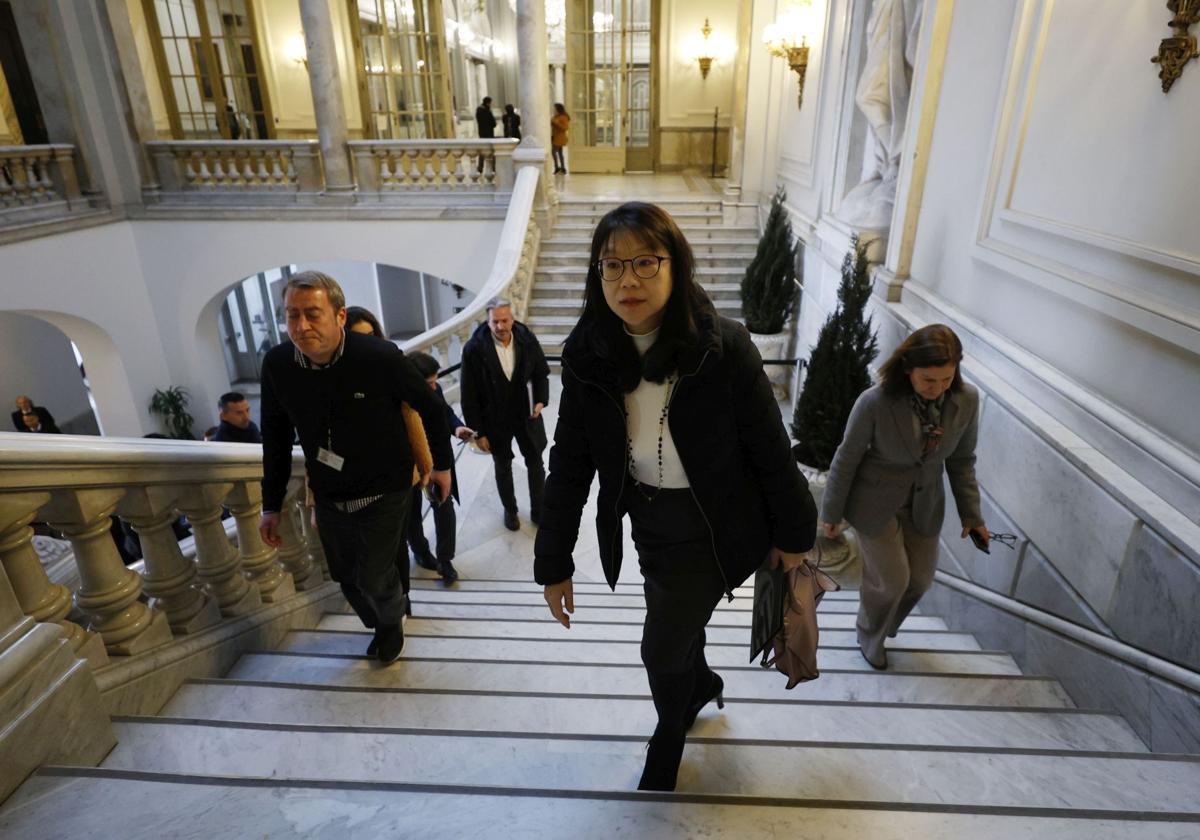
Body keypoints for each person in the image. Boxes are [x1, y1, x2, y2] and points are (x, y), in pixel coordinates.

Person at [534, 202, 818, 792]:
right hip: (648, 522)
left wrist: (795, 537)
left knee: (660, 646)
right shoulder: (587, 355)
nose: (628, 280)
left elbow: (770, 447)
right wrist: (554, 563)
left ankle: (669, 727)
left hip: (718, 524)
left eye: (645, 262)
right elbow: (568, 466)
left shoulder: (723, 347)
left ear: (676, 266)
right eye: (612, 266)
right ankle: (702, 682)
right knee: (677, 618)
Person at [258, 271, 453, 664]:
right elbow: (275, 439)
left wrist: (442, 466)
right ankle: (383, 615)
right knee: (345, 577)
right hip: (329, 490)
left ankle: (390, 624)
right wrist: (270, 505)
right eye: (292, 315)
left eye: (312, 314)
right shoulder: (278, 365)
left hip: (386, 487)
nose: (301, 326)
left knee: (374, 574)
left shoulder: (379, 357)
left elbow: (432, 408)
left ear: (340, 315)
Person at [820, 323, 987, 671]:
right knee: (892, 580)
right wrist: (831, 513)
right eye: (928, 379)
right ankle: (870, 634)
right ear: (908, 368)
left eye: (945, 379)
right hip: (874, 503)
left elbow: (962, 461)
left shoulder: (967, 400)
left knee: (921, 580)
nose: (937, 388)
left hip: (926, 504)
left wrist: (972, 516)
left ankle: (885, 623)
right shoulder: (875, 402)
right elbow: (846, 457)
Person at [342, 306, 449, 595]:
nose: (367, 344)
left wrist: (428, 466)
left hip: (399, 470)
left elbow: (415, 418)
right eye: (357, 338)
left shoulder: (389, 368)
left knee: (408, 523)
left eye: (371, 336)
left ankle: (413, 574)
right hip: (355, 479)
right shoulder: (333, 376)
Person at [461, 298, 550, 532]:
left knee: (536, 462)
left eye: (504, 320)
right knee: (502, 464)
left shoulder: (527, 340)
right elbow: (469, 395)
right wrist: (477, 432)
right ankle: (510, 510)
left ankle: (539, 510)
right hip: (495, 419)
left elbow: (541, 373)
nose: (500, 326)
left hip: (526, 415)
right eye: (495, 322)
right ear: (488, 321)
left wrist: (540, 401)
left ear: (512, 318)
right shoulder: (474, 349)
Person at [407, 351, 475, 583]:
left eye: (436, 381)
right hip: (410, 465)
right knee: (411, 512)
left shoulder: (433, 390)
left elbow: (444, 412)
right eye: (429, 383)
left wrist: (457, 428)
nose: (435, 387)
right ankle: (421, 552)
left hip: (438, 461)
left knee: (444, 508)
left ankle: (445, 560)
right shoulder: (397, 402)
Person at [475, 96, 497, 174]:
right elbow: (494, 124)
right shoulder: (487, 111)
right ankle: (494, 168)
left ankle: (480, 167)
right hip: (489, 134)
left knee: (482, 151)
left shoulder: (478, 110)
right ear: (488, 103)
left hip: (481, 133)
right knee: (493, 150)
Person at [551, 103, 569, 174]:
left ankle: (557, 167)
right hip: (555, 137)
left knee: (553, 152)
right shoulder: (556, 116)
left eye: (554, 108)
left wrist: (555, 123)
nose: (553, 110)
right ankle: (562, 167)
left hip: (560, 137)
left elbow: (565, 128)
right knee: (560, 153)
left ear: (558, 109)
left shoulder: (563, 117)